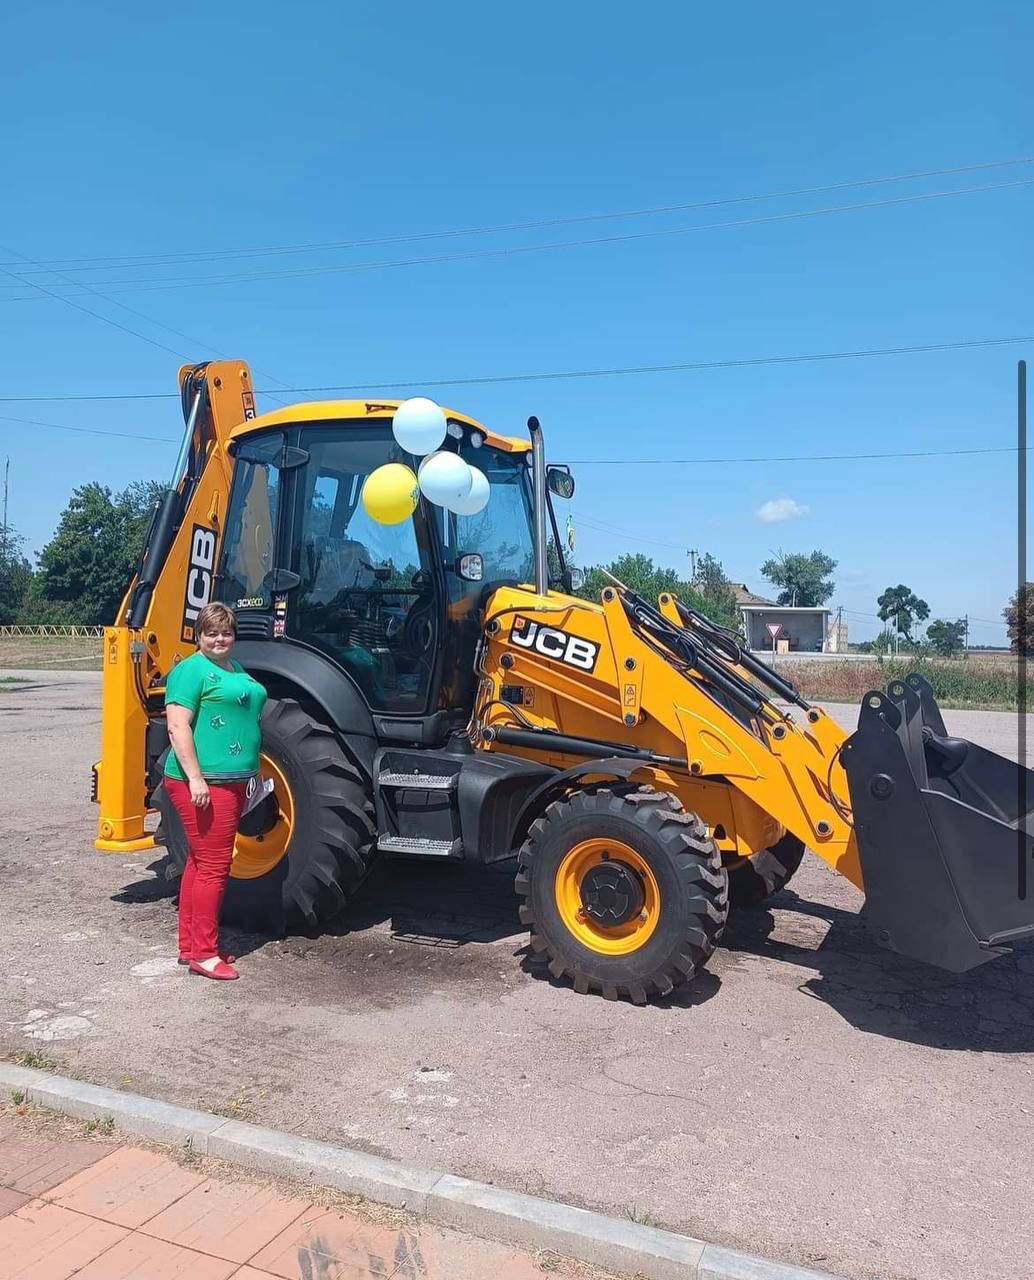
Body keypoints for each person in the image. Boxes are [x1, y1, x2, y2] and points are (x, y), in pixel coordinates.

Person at [163, 602, 267, 980]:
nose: (220, 639)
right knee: (214, 866)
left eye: (226, 633)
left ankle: (191, 946)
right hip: (205, 784)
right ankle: (205, 954)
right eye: (211, 633)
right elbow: (177, 727)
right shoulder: (190, 671)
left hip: (232, 782)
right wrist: (195, 779)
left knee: (199, 861)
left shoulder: (232, 668)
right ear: (198, 635)